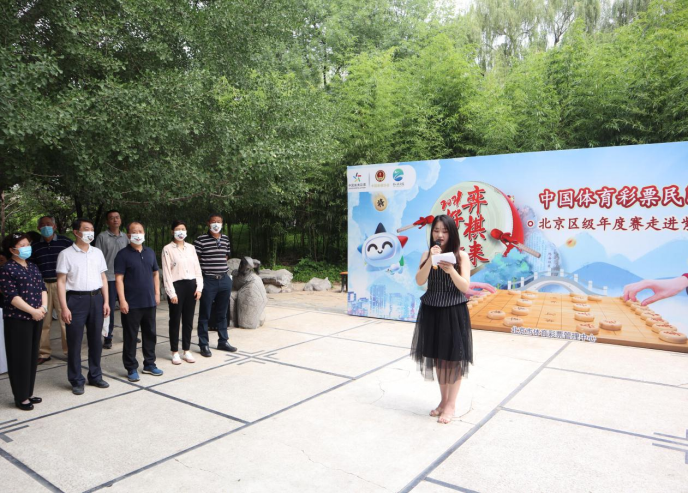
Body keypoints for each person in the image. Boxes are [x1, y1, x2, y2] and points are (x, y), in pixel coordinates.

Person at [411, 214, 473, 424]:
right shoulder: (426, 254)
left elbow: (465, 286)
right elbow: (420, 281)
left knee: (453, 360)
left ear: (452, 233)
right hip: (432, 309)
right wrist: (431, 259)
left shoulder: (461, 256)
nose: (440, 235)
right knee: (438, 359)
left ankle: (451, 405)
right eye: (436, 230)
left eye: (444, 231)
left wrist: (450, 270)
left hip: (453, 311)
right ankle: (443, 401)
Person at [56, 218, 111, 395]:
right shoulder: (65, 254)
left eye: (92, 229)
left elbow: (103, 278)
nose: (90, 232)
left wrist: (106, 301)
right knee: (74, 342)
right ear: (76, 232)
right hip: (75, 300)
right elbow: (61, 281)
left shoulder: (97, 253)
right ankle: (76, 379)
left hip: (96, 299)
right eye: (86, 229)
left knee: (96, 340)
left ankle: (95, 376)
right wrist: (64, 307)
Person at [0, 233, 47, 410]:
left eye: (28, 244)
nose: (27, 247)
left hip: (37, 316)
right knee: (19, 357)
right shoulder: (7, 269)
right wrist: (33, 311)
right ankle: (20, 396)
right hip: (18, 320)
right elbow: (12, 296)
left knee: (32, 356)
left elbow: (43, 288)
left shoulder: (33, 266)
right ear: (12, 250)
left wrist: (43, 308)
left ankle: (28, 391)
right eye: (22, 245)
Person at [115, 221, 162, 381]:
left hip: (149, 302)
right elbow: (119, 279)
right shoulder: (122, 255)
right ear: (128, 235)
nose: (138, 234)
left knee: (150, 334)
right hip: (131, 304)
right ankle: (131, 367)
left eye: (140, 231)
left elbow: (155, 273)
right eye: (134, 232)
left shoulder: (150, 252)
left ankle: (149, 364)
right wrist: (122, 300)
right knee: (131, 336)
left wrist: (157, 294)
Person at [29, 216, 73, 364]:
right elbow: (31, 267)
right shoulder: (35, 246)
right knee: (44, 321)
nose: (46, 227)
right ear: (38, 228)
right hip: (43, 286)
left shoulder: (66, 242)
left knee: (65, 319)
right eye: (42, 225)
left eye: (49, 224)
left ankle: (70, 351)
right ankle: (44, 353)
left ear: (54, 226)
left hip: (62, 285)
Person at [194, 213, 237, 357]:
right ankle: (203, 344)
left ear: (222, 224)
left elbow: (225, 256)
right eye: (213, 221)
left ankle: (223, 341)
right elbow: (196, 260)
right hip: (208, 280)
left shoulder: (225, 239)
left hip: (224, 279)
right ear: (208, 223)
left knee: (222, 313)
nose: (216, 224)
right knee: (205, 313)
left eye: (219, 222)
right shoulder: (200, 240)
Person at [162, 220, 203, 364]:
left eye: (183, 229)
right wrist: (171, 293)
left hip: (191, 285)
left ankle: (186, 350)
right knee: (175, 320)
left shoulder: (191, 248)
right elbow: (166, 272)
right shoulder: (167, 249)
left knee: (188, 320)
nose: (181, 232)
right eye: (178, 229)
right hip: (176, 286)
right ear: (172, 231)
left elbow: (197, 268)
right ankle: (174, 351)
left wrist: (199, 288)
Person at [95, 210, 129, 349]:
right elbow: (97, 258)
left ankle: (130, 333)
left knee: (128, 306)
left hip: (125, 277)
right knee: (108, 308)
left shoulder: (125, 237)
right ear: (107, 221)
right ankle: (107, 336)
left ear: (120, 220)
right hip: (108, 278)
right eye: (111, 218)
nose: (115, 220)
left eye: (117, 217)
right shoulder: (102, 237)